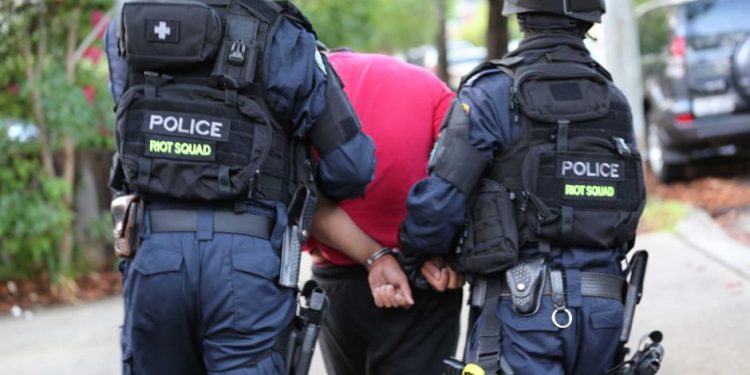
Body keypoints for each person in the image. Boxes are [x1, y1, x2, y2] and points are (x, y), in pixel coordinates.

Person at [105, 1, 376, 374]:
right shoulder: (284, 32)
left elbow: (128, 116)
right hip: (246, 261)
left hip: (153, 253)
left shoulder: (133, 21)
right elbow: (353, 167)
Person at [399, 1, 647, 374]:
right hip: (604, 311)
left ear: (521, 16)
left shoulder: (491, 92)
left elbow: (442, 201)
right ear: (588, 19)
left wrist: (414, 256)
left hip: (522, 312)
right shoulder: (614, 101)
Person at [305, 49, 462, 375]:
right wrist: (454, 255)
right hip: (426, 277)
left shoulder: (302, 82)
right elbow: (467, 176)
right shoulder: (429, 86)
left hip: (338, 282)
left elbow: (299, 191)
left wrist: (375, 257)